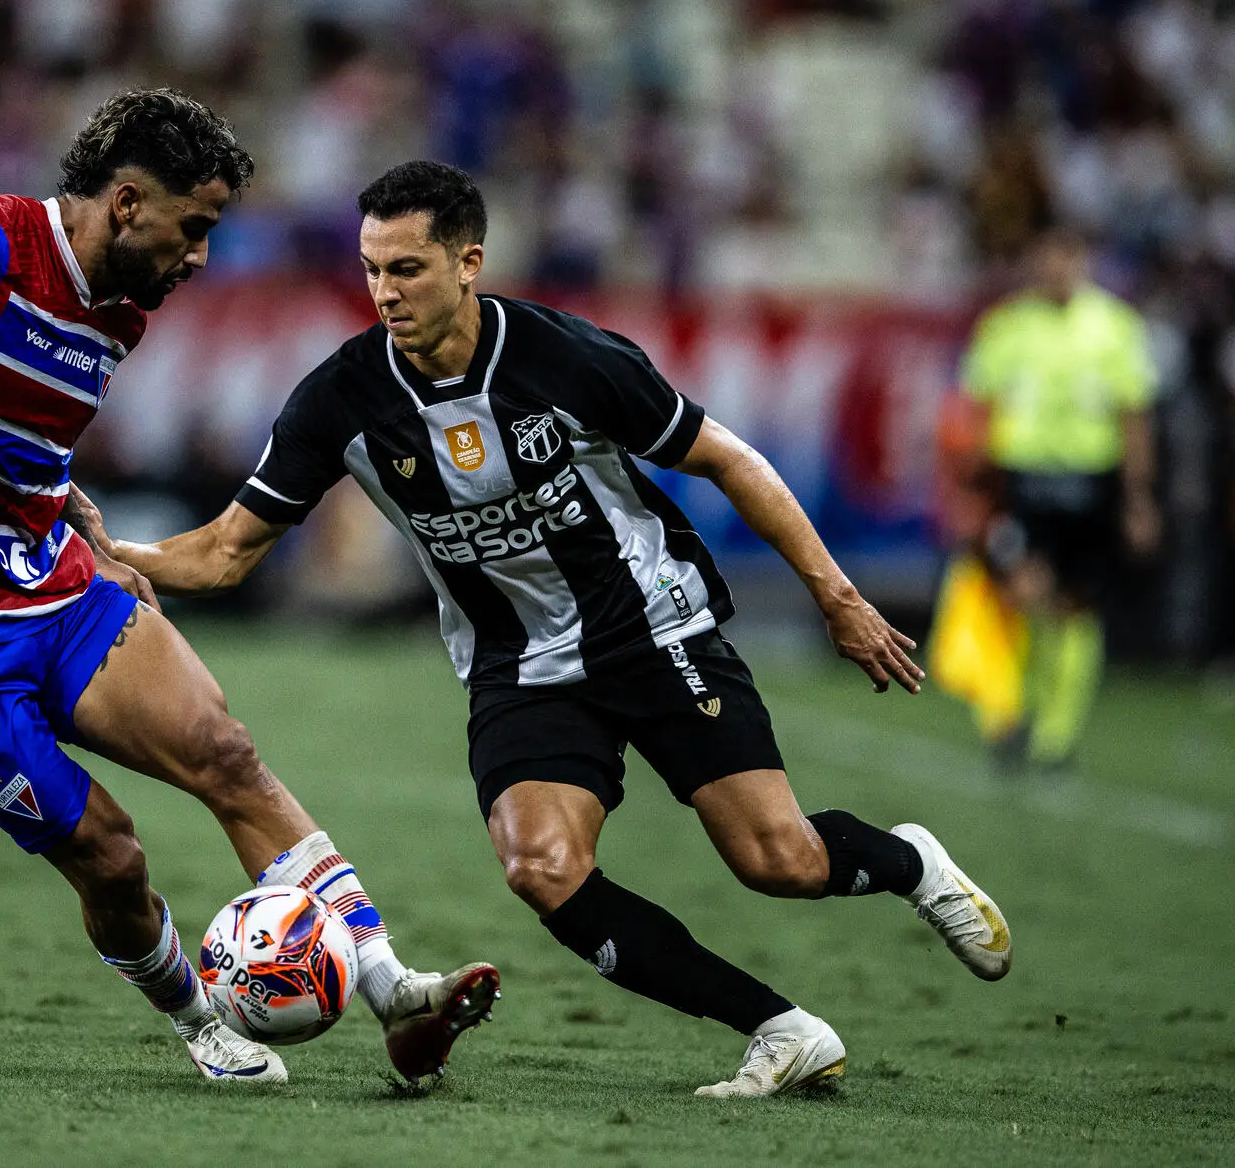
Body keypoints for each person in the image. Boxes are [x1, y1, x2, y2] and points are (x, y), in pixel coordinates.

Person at [104, 160, 1012, 1099]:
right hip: (516, 663)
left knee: (777, 860)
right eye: (372, 269)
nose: (385, 292)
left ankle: (911, 861)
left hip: (651, 628)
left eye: (407, 268)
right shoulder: (342, 397)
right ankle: (781, 1028)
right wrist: (106, 552)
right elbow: (224, 551)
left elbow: (731, 459)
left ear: (468, 263)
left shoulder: (566, 358)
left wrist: (838, 597)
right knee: (541, 866)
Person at [0, 90, 498, 1085]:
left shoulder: (124, 304)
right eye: (193, 227)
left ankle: (390, 990)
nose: (200, 256)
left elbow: (16, 430)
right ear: (126, 204)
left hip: (42, 581)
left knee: (226, 752)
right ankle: (200, 1020)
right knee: (111, 856)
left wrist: (76, 522)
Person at [960, 230, 1158, 770]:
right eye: (1048, 258)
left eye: (1068, 257)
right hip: (1023, 480)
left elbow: (1133, 415)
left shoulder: (1116, 326)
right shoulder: (1006, 327)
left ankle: (1055, 733)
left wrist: (1139, 497)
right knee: (1022, 594)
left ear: (1084, 261)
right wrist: (971, 490)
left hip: (1091, 481)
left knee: (1076, 606)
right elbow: (976, 411)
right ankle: (1016, 708)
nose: (1057, 268)